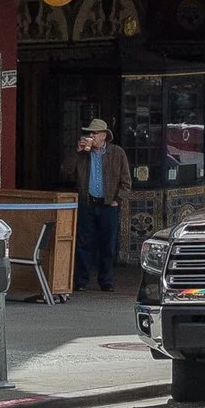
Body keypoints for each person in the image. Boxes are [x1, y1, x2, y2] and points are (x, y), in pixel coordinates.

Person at [70, 117, 131, 294]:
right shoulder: (83, 154)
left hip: (107, 205)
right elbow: (66, 171)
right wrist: (77, 152)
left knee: (108, 245)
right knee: (83, 243)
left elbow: (126, 181)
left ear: (104, 136)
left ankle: (106, 280)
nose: (91, 136)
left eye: (95, 133)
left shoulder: (117, 153)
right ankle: (81, 280)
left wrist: (116, 200)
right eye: (90, 133)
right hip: (87, 203)